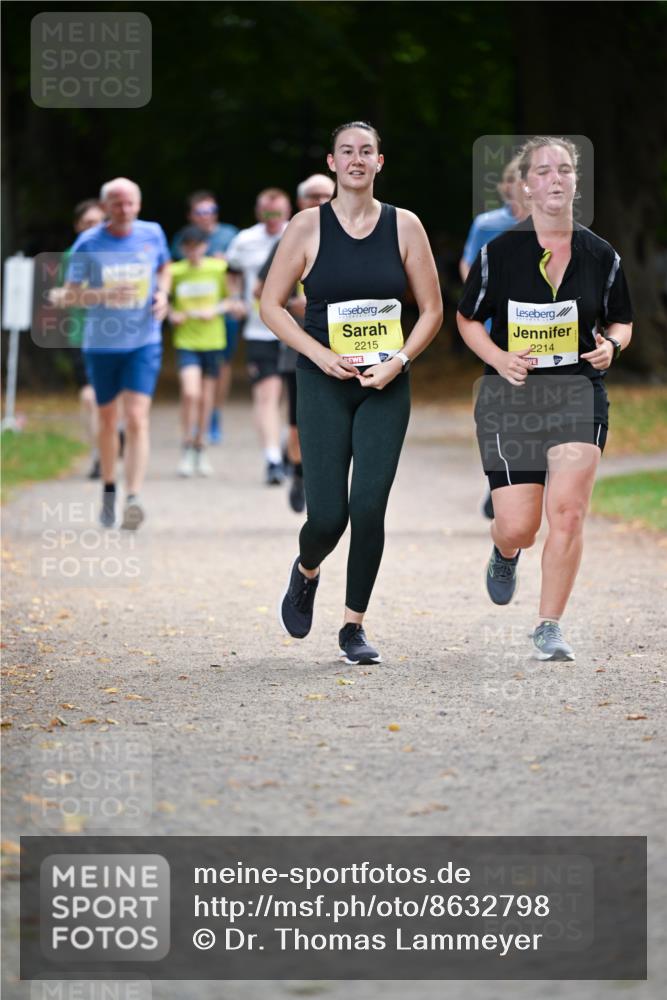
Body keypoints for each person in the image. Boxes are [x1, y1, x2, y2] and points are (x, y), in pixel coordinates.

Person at [260, 121, 442, 665]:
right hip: (323, 380)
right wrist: (317, 356)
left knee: (368, 507)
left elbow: (431, 310)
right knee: (327, 519)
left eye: (367, 151)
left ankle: (353, 627)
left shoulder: (404, 226)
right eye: (347, 151)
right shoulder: (306, 226)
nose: (357, 159)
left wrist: (401, 360)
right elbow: (271, 306)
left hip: (386, 383)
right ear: (333, 163)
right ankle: (307, 570)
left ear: (380, 162)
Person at [457, 136, 633, 661]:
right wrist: (499, 356)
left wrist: (612, 346)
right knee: (520, 525)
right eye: (544, 171)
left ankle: (549, 625)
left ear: (576, 182)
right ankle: (505, 549)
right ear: (527, 185)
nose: (556, 178)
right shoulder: (499, 252)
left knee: (569, 512)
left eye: (565, 170)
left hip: (578, 391)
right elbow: (466, 319)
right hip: (511, 396)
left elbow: (622, 321)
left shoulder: (601, 254)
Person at [65, 177, 171, 529]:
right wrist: (104, 296)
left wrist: (163, 295)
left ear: (138, 205)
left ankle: (134, 497)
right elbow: (69, 295)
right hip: (101, 343)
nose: (124, 210)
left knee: (137, 417)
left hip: (144, 341)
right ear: (105, 206)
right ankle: (109, 487)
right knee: (108, 417)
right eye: (116, 204)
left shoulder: (152, 233)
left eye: (129, 203)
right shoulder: (88, 243)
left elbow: (164, 268)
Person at [255, 173, 336, 512]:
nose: (319, 202)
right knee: (299, 419)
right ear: (301, 202)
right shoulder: (290, 237)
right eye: (312, 196)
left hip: (349, 342)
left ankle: (330, 481)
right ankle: (300, 474)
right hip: (301, 340)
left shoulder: (357, 232)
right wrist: (292, 303)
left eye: (325, 195)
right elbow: (262, 291)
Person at [460, 156, 529, 521]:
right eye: (515, 179)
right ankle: (500, 476)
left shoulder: (554, 226)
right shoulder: (488, 224)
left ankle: (515, 476)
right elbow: (469, 265)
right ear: (505, 186)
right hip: (497, 332)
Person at [226, 188, 292, 484]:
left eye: (278, 213)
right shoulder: (244, 240)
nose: (272, 219)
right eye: (267, 213)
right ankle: (272, 459)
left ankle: (291, 449)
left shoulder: (299, 233)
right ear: (258, 212)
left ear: (288, 211)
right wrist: (235, 299)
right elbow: (232, 272)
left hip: (297, 329)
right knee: (267, 395)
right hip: (259, 329)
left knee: (293, 398)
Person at [169, 225, 246, 476]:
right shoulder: (175, 271)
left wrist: (216, 310)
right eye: (188, 247)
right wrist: (173, 315)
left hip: (213, 340)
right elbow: (163, 300)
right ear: (182, 249)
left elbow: (233, 298)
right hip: (187, 341)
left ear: (205, 247)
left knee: (205, 399)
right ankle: (185, 445)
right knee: (190, 393)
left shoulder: (217, 268)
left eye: (198, 246)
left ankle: (200, 448)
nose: (193, 252)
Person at [171, 191, 240, 443]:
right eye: (200, 212)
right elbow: (173, 276)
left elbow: (238, 275)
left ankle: (213, 417)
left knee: (221, 368)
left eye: (210, 211)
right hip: (190, 325)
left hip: (221, 321)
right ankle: (194, 431)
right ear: (191, 215)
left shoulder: (230, 234)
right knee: (194, 386)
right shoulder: (182, 239)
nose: (206, 216)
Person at [50, 199, 106, 478]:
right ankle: (99, 454)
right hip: (82, 334)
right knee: (89, 397)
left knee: (113, 400)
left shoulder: (119, 250)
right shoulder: (72, 256)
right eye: (87, 224)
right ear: (77, 227)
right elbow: (67, 294)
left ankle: (112, 438)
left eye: (97, 223)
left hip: (118, 335)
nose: (92, 228)